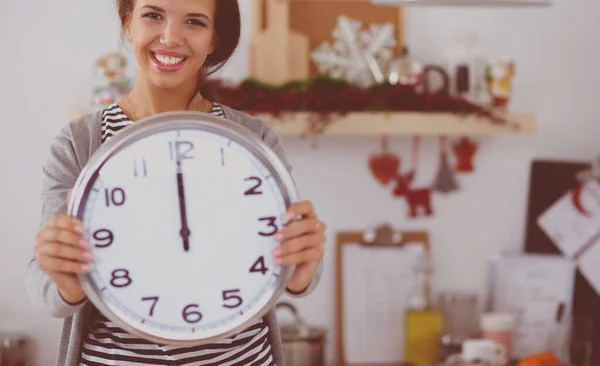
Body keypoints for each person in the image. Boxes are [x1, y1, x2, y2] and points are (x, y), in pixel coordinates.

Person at [26, 0, 325, 365]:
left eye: (195, 22)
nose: (171, 37)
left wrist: (302, 267)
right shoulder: (78, 143)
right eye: (153, 15)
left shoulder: (253, 137)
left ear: (214, 38)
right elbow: (43, 283)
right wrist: (64, 279)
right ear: (128, 22)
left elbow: (293, 258)